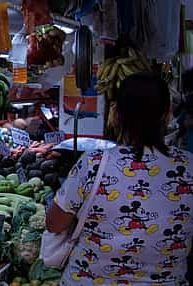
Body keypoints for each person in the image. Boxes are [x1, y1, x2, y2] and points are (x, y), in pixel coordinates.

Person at [46, 72, 193, 285]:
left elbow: (54, 223)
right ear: (167, 113)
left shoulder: (94, 163)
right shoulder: (189, 167)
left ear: (116, 114)